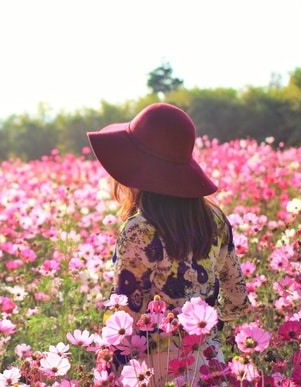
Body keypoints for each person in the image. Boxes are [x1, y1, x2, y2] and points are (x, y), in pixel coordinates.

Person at [86, 103, 249, 384]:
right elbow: (236, 299)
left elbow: (129, 311)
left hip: (155, 368)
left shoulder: (140, 228)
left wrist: (107, 369)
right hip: (208, 363)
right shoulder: (215, 219)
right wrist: (209, 330)